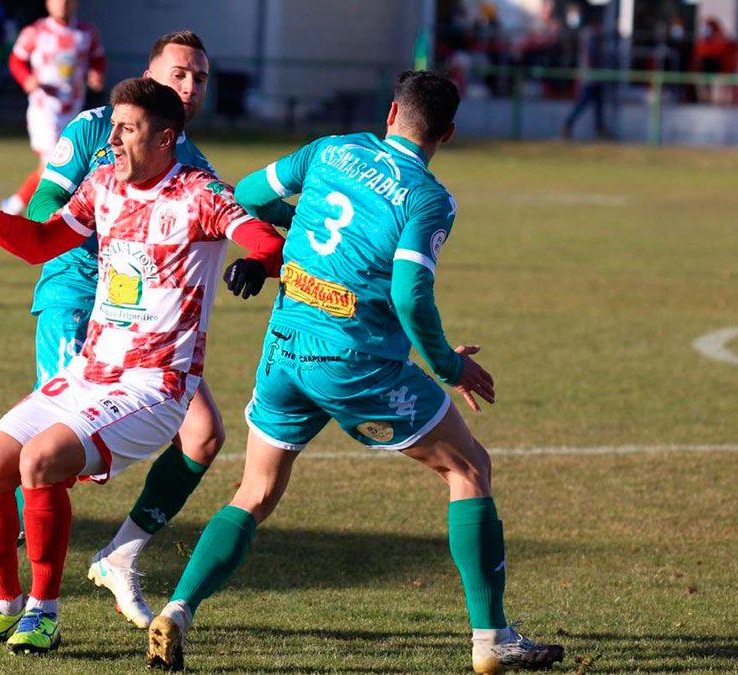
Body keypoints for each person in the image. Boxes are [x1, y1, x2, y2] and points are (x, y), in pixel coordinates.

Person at [144, 70, 566, 675]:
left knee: (255, 492)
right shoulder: (428, 198)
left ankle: (178, 610)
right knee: (470, 468)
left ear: (391, 112)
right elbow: (409, 294)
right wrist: (449, 365)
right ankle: (490, 638)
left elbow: (249, 196)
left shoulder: (331, 148)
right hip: (356, 363)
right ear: (446, 133)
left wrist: (303, 227)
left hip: (285, 349)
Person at [0, 30, 298, 630]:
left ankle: (45, 606)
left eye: (200, 76)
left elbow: (255, 231)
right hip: (81, 314)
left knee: (55, 459)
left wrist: (258, 257)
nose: (190, 86)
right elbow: (42, 232)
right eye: (179, 73)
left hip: (150, 375)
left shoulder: (197, 183)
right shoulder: (101, 165)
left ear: (163, 134)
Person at [1, 0, 105, 215]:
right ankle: (20, 208)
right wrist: (26, 79)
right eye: (58, 1)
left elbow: (98, 59)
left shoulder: (86, 32)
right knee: (53, 163)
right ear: (48, 3)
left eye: (68, 1)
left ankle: (27, 207)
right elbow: (16, 60)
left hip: (74, 108)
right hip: (45, 108)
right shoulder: (36, 31)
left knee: (69, 163)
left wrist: (96, 73)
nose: (63, 5)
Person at [562, 11, 613, 140]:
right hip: (591, 76)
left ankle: (599, 128)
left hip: (589, 74)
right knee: (585, 101)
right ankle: (569, 124)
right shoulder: (592, 35)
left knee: (597, 103)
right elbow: (592, 55)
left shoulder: (585, 34)